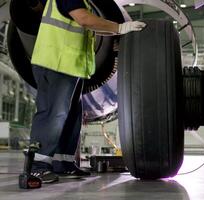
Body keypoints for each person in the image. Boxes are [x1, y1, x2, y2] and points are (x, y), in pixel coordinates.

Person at [24, 0, 146, 183]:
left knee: (72, 116)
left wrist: (120, 31)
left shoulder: (84, 2)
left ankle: (63, 163)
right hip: (55, 63)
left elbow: (92, 26)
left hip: (70, 67)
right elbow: (84, 20)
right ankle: (38, 166)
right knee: (53, 114)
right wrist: (120, 27)